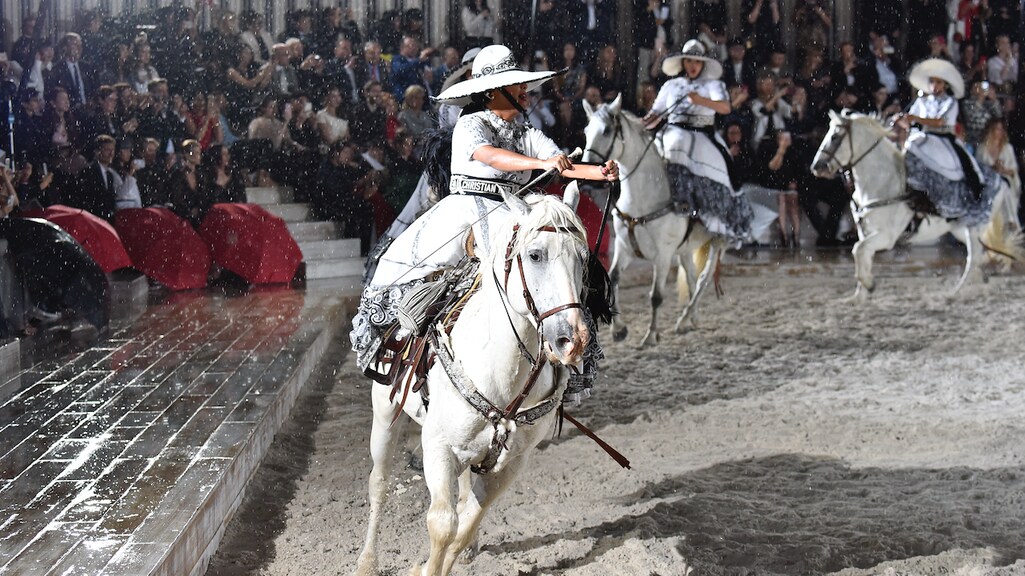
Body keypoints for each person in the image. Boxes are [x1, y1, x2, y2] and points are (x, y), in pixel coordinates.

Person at [351, 44, 619, 398]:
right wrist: (540, 165)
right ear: (494, 91)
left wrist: (598, 172)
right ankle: (411, 350)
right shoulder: (470, 123)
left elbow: (560, 161)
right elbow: (490, 155)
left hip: (513, 208)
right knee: (426, 276)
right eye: (516, 84)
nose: (525, 90)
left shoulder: (524, 130)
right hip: (466, 213)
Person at [643, 39, 753, 243]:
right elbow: (656, 112)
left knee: (723, 163)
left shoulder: (713, 84)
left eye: (697, 62)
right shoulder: (671, 85)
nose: (692, 66)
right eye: (689, 62)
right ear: (683, 63)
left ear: (702, 64)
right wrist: (645, 123)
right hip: (672, 130)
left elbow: (725, 108)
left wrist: (701, 101)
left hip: (702, 132)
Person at [895, 58, 1000, 224]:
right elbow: (910, 120)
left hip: (944, 138)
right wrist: (901, 120)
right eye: (932, 82)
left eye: (938, 82)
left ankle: (974, 196)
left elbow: (941, 122)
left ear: (945, 85)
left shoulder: (950, 102)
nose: (935, 86)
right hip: (922, 137)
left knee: (967, 164)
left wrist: (914, 118)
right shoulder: (921, 101)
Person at [975, 117, 1021, 231]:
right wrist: (993, 168)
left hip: (1005, 179)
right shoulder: (982, 148)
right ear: (991, 130)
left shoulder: (1007, 148)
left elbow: (1013, 170)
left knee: (1003, 185)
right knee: (1000, 185)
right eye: (996, 129)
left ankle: (1011, 220)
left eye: (1001, 129)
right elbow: (977, 168)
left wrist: (1003, 170)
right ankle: (1011, 220)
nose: (998, 132)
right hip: (988, 182)